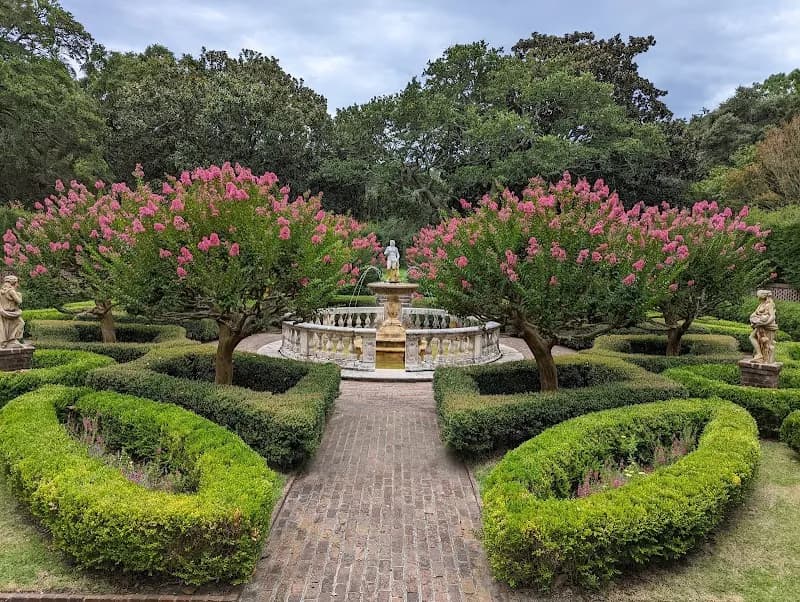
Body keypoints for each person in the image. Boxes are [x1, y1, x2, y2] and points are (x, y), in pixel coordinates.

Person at [749, 289, 778, 363]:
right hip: (760, 325)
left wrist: (765, 323)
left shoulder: (769, 304)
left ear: (762, 296)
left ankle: (761, 356)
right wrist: (753, 320)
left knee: (754, 338)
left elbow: (772, 316)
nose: (757, 297)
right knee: (754, 338)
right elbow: (754, 314)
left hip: (766, 327)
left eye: (758, 295)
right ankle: (759, 355)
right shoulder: (761, 304)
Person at [0, 275, 24, 348]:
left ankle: (9, 341)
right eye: (16, 282)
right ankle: (13, 340)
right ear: (13, 282)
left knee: (7, 327)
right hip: (12, 313)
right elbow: (19, 301)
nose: (17, 284)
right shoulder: (11, 291)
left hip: (4, 312)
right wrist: (19, 294)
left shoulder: (1, 291)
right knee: (21, 323)